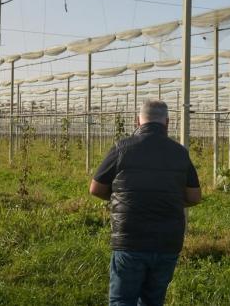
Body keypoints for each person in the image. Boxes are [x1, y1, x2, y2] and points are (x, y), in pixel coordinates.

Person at [90, 99, 201, 306]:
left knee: (122, 300)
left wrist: (121, 198)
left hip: (130, 238)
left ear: (137, 121)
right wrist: (171, 201)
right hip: (167, 241)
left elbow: (96, 189)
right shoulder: (180, 153)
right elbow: (194, 197)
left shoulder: (122, 148)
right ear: (167, 122)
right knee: (152, 300)